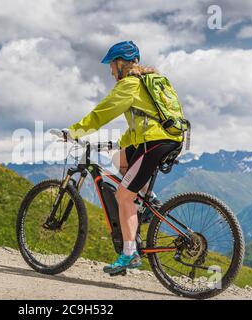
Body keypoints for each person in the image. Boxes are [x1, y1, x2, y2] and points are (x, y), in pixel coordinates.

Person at [67, 41, 183, 275]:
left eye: (111, 65)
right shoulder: (148, 82)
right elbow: (144, 123)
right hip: (166, 138)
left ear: (121, 63)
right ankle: (149, 203)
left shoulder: (129, 84)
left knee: (123, 196)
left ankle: (129, 254)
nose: (110, 71)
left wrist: (73, 132)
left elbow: (102, 113)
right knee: (119, 159)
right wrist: (117, 144)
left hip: (155, 142)